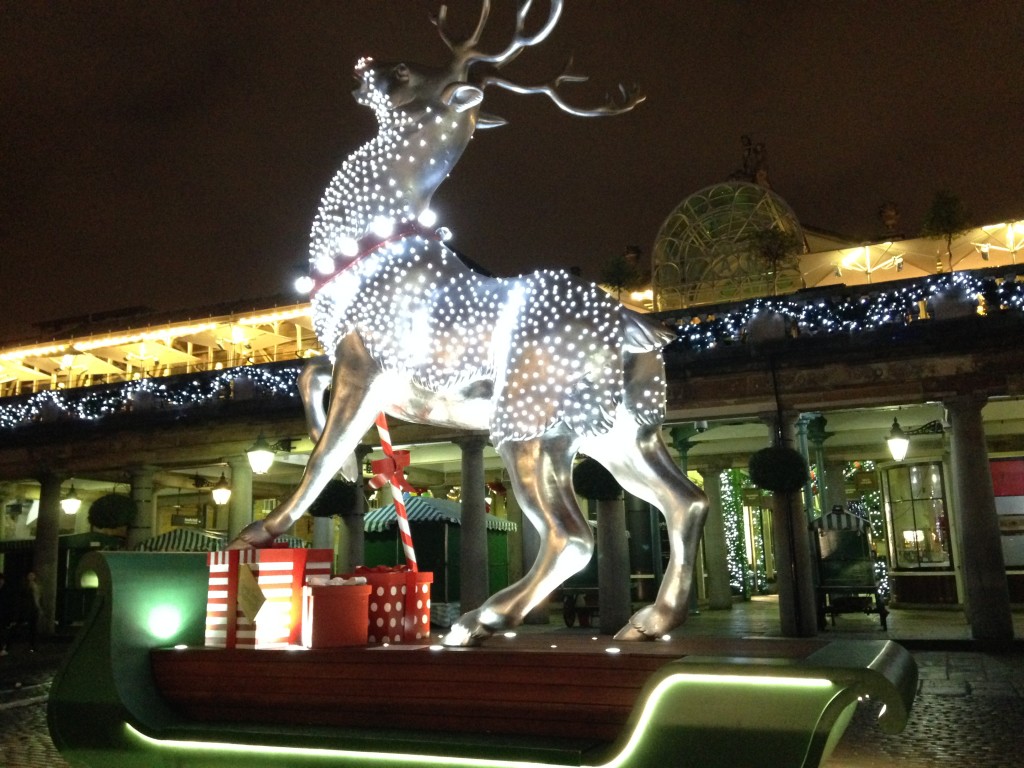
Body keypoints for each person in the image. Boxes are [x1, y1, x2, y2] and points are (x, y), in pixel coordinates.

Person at [18, 572, 42, 652]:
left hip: (34, 608)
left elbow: (38, 598)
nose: (31, 577)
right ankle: (31, 644)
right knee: (30, 627)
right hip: (30, 608)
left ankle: (33, 645)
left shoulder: (35, 586)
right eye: (29, 575)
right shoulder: (26, 586)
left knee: (33, 627)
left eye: (32, 575)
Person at [0, 572, 12, 656]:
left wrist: (11, 617)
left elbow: (9, 604)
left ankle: (5, 647)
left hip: (4, 615)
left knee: (4, 632)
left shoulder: (7, 591)